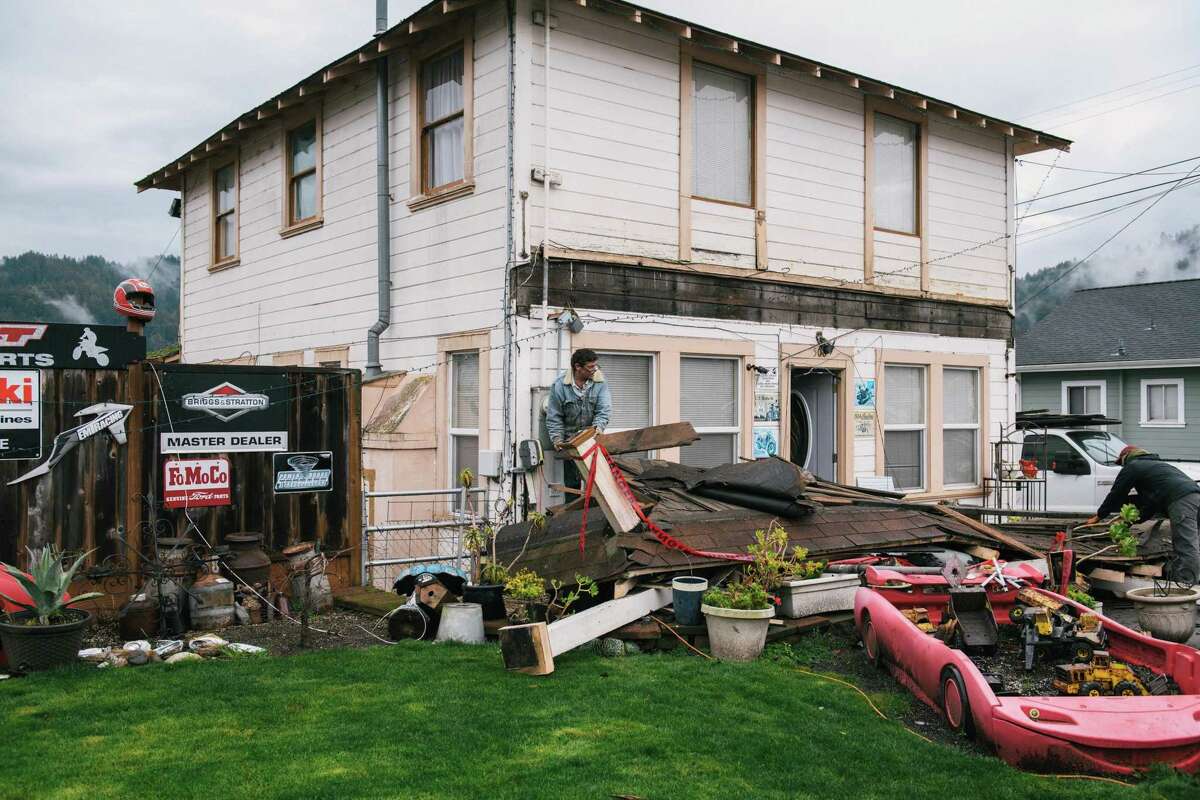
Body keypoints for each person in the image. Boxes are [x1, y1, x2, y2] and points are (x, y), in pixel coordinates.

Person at [1086, 445, 1200, 584]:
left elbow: (1117, 493)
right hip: (1195, 496)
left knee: (1185, 545)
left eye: (1121, 464)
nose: (1122, 467)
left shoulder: (1133, 466)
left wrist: (1099, 516)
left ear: (1126, 457)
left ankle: (1187, 586)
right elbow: (1150, 507)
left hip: (1182, 502)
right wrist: (1128, 523)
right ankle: (1193, 581)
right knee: (1195, 542)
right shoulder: (1156, 467)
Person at [545, 348, 612, 491]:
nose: (595, 370)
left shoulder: (600, 383)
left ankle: (593, 513)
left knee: (596, 486)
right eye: (590, 367)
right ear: (577, 367)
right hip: (571, 444)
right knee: (572, 486)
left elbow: (604, 411)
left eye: (596, 366)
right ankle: (573, 512)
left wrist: (597, 430)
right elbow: (554, 416)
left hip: (592, 441)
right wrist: (557, 439)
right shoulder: (559, 386)